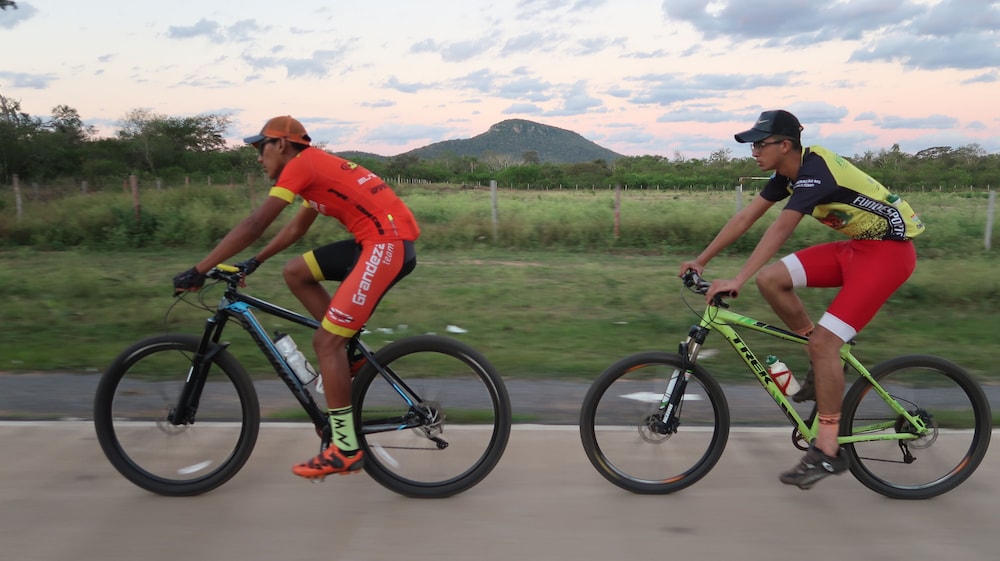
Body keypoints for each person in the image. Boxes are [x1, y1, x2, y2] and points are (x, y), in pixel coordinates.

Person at [678, 109, 924, 489]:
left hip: (888, 256)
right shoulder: (787, 176)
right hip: (857, 249)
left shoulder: (815, 171)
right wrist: (701, 259)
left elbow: (780, 229)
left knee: (825, 343)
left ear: (785, 145)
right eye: (752, 145)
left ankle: (827, 449)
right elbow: (745, 219)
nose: (754, 152)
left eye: (760, 144)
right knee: (771, 280)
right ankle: (821, 363)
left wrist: (737, 279)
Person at [173, 115, 420, 479]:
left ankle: (345, 448)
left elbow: (255, 224)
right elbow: (295, 228)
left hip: (386, 244)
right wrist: (255, 261)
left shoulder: (302, 166)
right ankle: (350, 356)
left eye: (262, 148)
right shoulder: (313, 169)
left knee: (325, 343)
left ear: (282, 144)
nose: (260, 158)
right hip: (376, 241)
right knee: (296, 272)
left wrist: (199, 269)